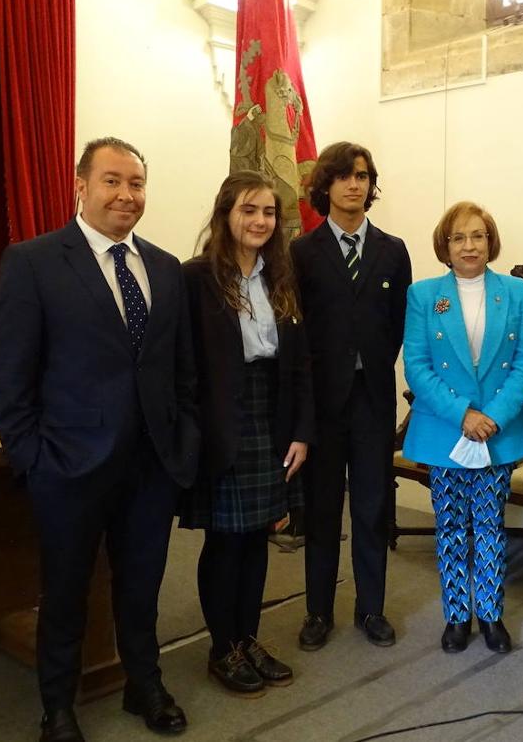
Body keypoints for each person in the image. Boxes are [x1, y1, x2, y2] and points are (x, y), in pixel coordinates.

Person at [0, 137, 198, 742]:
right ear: (80, 186)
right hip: (67, 466)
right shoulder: (34, 262)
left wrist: (182, 439)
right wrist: (31, 459)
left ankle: (143, 683)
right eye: (112, 181)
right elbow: (7, 372)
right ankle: (58, 706)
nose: (126, 195)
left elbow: (180, 368)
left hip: (152, 463)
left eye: (136, 183)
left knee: (142, 583)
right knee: (66, 591)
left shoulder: (164, 267)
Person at [180, 171, 314, 697]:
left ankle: (248, 637)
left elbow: (300, 364)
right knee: (225, 540)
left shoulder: (282, 276)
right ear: (226, 214)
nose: (260, 221)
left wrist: (302, 432)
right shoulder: (195, 278)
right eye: (248, 210)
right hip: (222, 422)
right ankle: (222, 647)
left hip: (272, 416)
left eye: (268, 213)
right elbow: (184, 366)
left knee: (257, 536)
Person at [291, 141, 413, 649]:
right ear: (326, 187)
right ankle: (318, 611)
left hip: (372, 401)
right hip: (321, 403)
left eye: (362, 175)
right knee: (322, 511)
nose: (354, 184)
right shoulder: (301, 252)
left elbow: (399, 324)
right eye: (343, 176)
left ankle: (371, 610)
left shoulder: (392, 249)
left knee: (371, 506)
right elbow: (296, 331)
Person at [401, 202, 523, 654]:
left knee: (490, 526)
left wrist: (492, 416)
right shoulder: (424, 295)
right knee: (453, 527)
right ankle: (457, 616)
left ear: (490, 241)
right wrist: (463, 414)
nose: (469, 245)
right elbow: (418, 368)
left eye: (477, 236)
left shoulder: (516, 293)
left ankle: (492, 615)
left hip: (496, 433)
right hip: (447, 431)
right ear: (445, 245)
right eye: (459, 237)